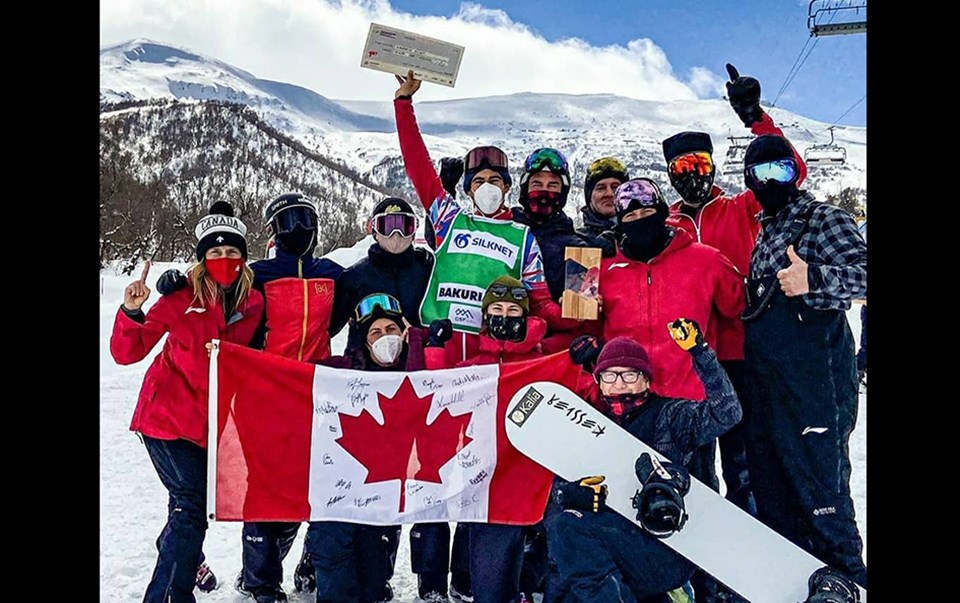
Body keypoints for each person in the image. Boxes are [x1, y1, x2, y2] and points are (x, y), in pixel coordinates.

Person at [159, 192, 345, 602]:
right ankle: (259, 579)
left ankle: (304, 562)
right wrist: (178, 281)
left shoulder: (333, 273)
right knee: (263, 490)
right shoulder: (258, 275)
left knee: (308, 488)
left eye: (304, 219)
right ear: (273, 231)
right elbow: (213, 288)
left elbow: (368, 296)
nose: (297, 229)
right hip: (263, 393)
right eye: (287, 221)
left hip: (313, 395)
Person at [661, 64, 808, 517]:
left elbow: (792, 172)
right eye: (682, 168)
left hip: (747, 350)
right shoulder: (665, 224)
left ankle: (754, 533)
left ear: (713, 166)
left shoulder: (740, 206)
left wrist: (755, 117)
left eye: (699, 165)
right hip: (693, 359)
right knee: (699, 461)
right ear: (671, 175)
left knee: (747, 459)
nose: (692, 175)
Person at [110, 201, 265, 603]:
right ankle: (168, 594)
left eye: (232, 253)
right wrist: (131, 308)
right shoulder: (181, 297)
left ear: (244, 258)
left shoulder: (254, 303)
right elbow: (128, 352)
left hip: (207, 425)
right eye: (215, 253)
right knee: (191, 506)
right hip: (165, 417)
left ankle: (182, 552)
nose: (224, 260)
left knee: (194, 504)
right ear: (202, 258)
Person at [739, 134, 868, 591]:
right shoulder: (765, 231)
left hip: (818, 382)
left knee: (822, 492)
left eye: (782, 170)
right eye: (761, 174)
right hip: (770, 382)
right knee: (776, 489)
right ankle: (793, 584)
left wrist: (813, 277)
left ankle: (847, 583)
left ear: (796, 173)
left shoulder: (824, 220)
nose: (772, 182)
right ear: (750, 181)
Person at [326, 196, 470, 603]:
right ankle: (367, 572)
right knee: (370, 482)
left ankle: (431, 582)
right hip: (368, 388)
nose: (395, 233)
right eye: (387, 224)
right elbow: (325, 327)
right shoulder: (355, 276)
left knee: (428, 481)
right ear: (372, 227)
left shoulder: (427, 268)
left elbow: (457, 292)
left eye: (404, 225)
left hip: (422, 384)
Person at [545, 320, 742, 602]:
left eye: (629, 375)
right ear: (599, 381)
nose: (618, 384)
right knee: (565, 528)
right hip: (609, 551)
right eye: (610, 376)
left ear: (647, 380)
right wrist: (571, 494)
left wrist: (700, 352)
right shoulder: (589, 425)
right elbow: (558, 490)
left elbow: (727, 413)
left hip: (665, 548)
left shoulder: (671, 417)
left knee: (570, 536)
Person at [392, 69, 572, 366]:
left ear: (507, 187)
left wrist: (573, 311)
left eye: (495, 180)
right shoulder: (450, 220)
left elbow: (540, 302)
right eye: (478, 182)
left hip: (491, 351)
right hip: (441, 343)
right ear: (468, 190)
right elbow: (418, 167)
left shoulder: (522, 236)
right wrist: (404, 103)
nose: (487, 187)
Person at [425, 276, 549, 603]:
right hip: (490, 488)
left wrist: (582, 361)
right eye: (496, 309)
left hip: (535, 482)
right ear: (485, 316)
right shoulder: (474, 366)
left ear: (524, 317)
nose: (504, 316)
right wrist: (435, 351)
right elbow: (439, 397)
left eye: (512, 310)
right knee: (490, 587)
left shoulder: (544, 362)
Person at [305, 293, 426, 603]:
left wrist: (421, 342)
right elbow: (291, 380)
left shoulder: (418, 372)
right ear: (363, 339)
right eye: (375, 332)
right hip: (335, 503)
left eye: (391, 330)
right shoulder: (338, 370)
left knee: (372, 587)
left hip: (379, 503)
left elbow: (428, 388)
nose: (385, 338)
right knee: (338, 586)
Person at [510, 147, 594, 352]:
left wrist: (543, 348)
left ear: (563, 193)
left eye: (553, 185)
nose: (544, 192)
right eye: (537, 184)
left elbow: (581, 317)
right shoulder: (505, 229)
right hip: (495, 344)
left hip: (546, 354)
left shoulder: (577, 249)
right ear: (524, 189)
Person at [577, 156, 630, 239]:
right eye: (601, 188)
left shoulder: (643, 238)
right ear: (589, 198)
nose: (609, 194)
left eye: (615, 187)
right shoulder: (575, 242)